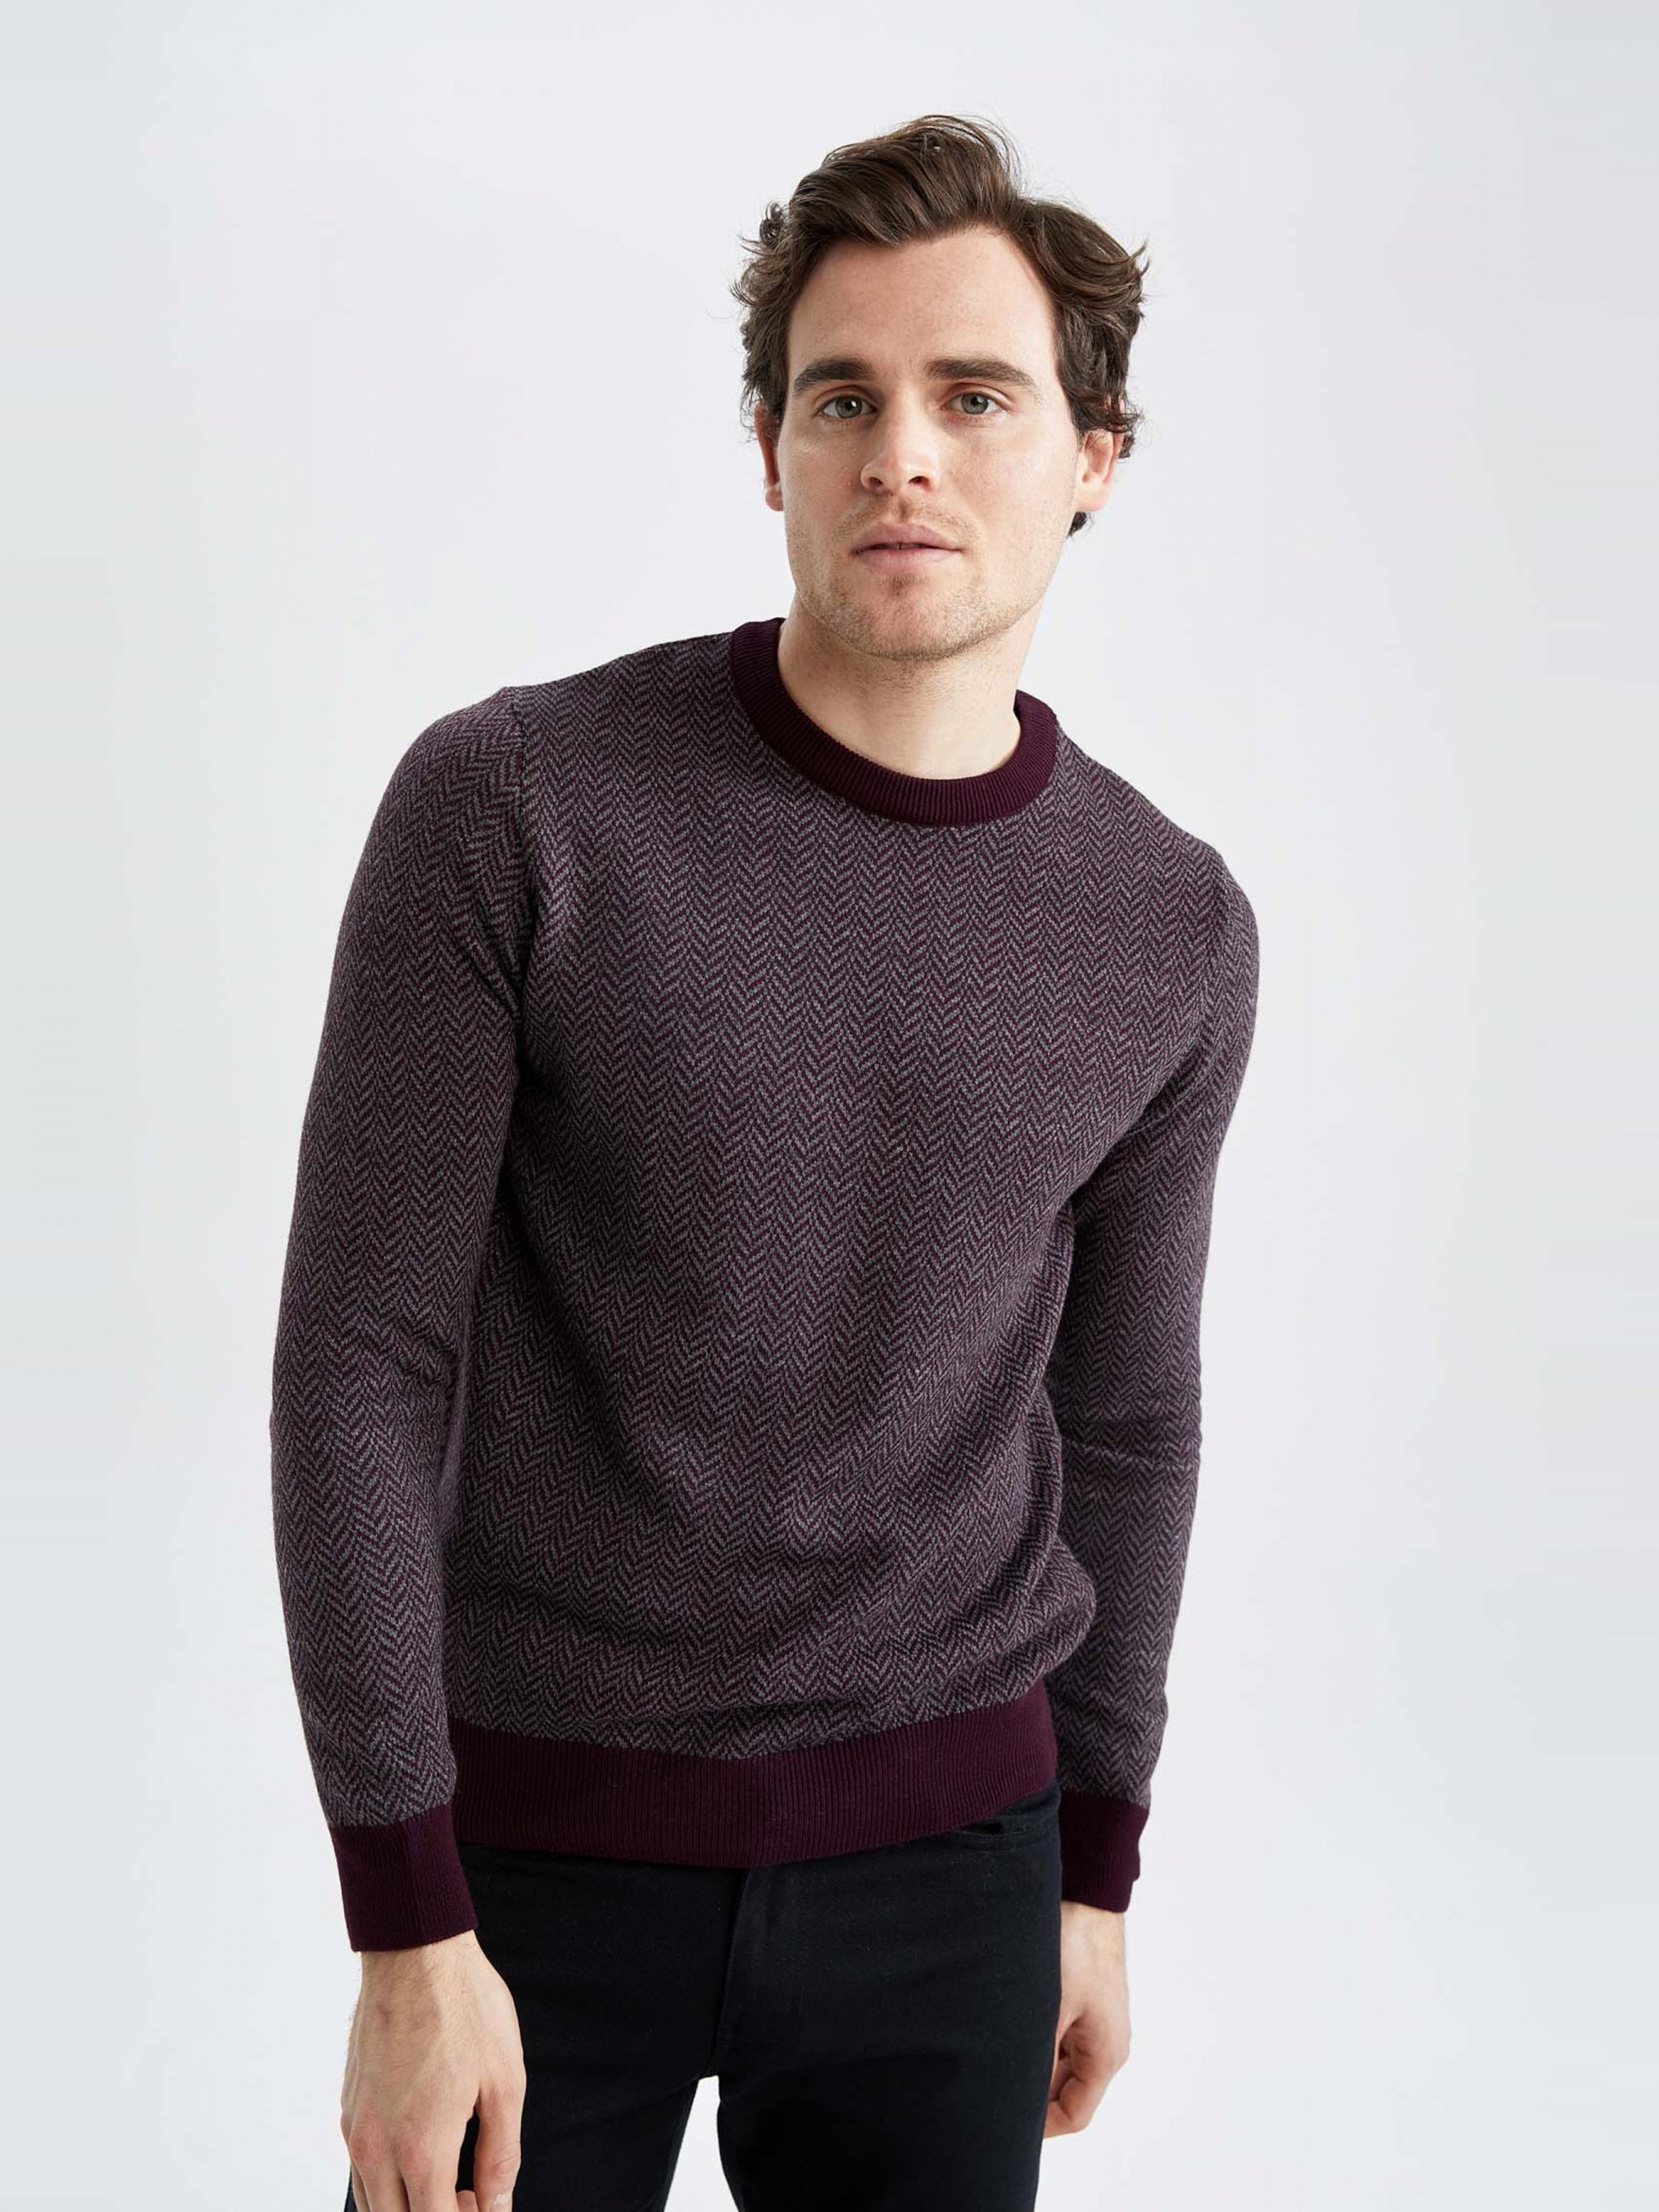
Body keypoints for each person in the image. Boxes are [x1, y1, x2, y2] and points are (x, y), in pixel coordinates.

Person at [270, 110, 1260, 2212]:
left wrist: (1094, 1865)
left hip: (956, 1866)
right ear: (769, 450)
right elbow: (361, 1362)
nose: (900, 454)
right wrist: (400, 1921)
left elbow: (1129, 1415)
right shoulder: (515, 807)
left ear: (1091, 457)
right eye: (840, 399)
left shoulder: (1167, 925)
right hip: (526, 1867)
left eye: (973, 397)